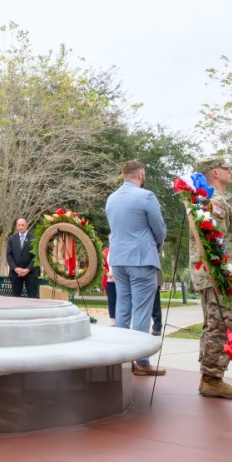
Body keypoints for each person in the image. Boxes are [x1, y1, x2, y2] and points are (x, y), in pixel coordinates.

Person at [190, 155, 232, 399]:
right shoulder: (214, 201)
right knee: (222, 325)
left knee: (213, 324)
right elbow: (216, 242)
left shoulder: (208, 198)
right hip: (218, 276)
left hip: (213, 275)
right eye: (226, 168)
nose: (229, 172)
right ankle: (213, 379)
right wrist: (228, 276)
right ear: (215, 172)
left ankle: (210, 376)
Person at [105, 160, 167, 376]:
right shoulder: (146, 196)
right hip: (141, 258)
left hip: (118, 260)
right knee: (142, 310)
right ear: (140, 174)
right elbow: (159, 229)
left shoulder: (111, 199)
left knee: (123, 308)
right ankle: (141, 360)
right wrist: (155, 248)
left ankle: (122, 360)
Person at [6, 218, 38, 298]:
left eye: (23, 225)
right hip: (15, 273)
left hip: (30, 273)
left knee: (33, 297)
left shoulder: (34, 239)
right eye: (19, 225)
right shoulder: (11, 239)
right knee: (15, 298)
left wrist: (28, 269)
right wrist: (15, 268)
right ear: (17, 227)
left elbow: (37, 256)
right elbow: (9, 255)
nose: (21, 227)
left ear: (27, 226)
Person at [103, 247, 116, 326]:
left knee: (120, 300)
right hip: (109, 279)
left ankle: (120, 319)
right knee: (111, 301)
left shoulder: (120, 249)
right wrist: (108, 273)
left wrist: (114, 273)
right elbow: (103, 265)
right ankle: (113, 321)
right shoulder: (105, 252)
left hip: (119, 278)